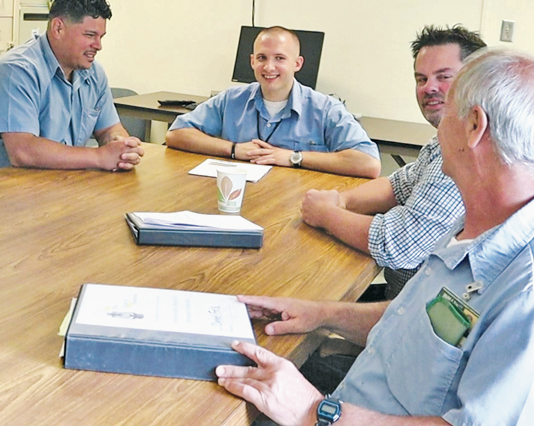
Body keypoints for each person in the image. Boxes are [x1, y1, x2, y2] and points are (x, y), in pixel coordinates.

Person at [217, 48, 534, 425]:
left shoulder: (524, 289)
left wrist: (310, 411)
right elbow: (422, 323)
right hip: (353, 395)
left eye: (449, 106)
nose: (437, 121)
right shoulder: (477, 222)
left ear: (474, 126)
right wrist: (322, 314)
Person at [302, 25, 486, 299]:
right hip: (402, 300)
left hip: (418, 314)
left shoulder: (468, 148)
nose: (429, 88)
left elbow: (400, 244)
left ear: (477, 79)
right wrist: (340, 201)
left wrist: (326, 215)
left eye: (443, 76)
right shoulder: (444, 137)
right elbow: (397, 185)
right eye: (421, 79)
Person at [0, 0, 144, 174]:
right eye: (90, 35)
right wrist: (100, 157)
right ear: (58, 28)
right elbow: (23, 151)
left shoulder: (93, 73)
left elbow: (109, 130)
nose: (98, 46)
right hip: (1, 194)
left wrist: (122, 147)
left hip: (59, 184)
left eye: (101, 37)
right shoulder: (14, 71)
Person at [165, 26, 381, 179]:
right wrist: (233, 149)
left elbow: (369, 164)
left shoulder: (325, 109)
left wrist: (294, 157)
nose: (269, 67)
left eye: (279, 58)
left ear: (297, 63)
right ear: (251, 61)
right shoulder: (231, 100)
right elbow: (176, 134)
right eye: (261, 58)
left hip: (296, 209)